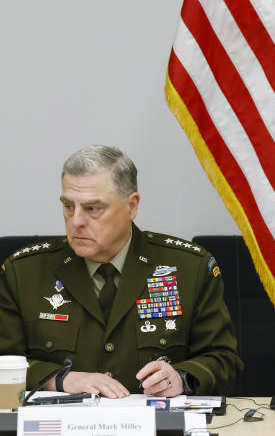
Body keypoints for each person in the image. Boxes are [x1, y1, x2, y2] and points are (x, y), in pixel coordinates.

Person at [0, 145, 242, 398]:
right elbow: (2, 362)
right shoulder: (25, 273)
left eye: (93, 209)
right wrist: (59, 379)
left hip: (159, 431)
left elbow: (224, 360)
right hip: (59, 431)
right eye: (69, 206)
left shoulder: (188, 268)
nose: (76, 221)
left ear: (132, 206)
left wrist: (181, 378)